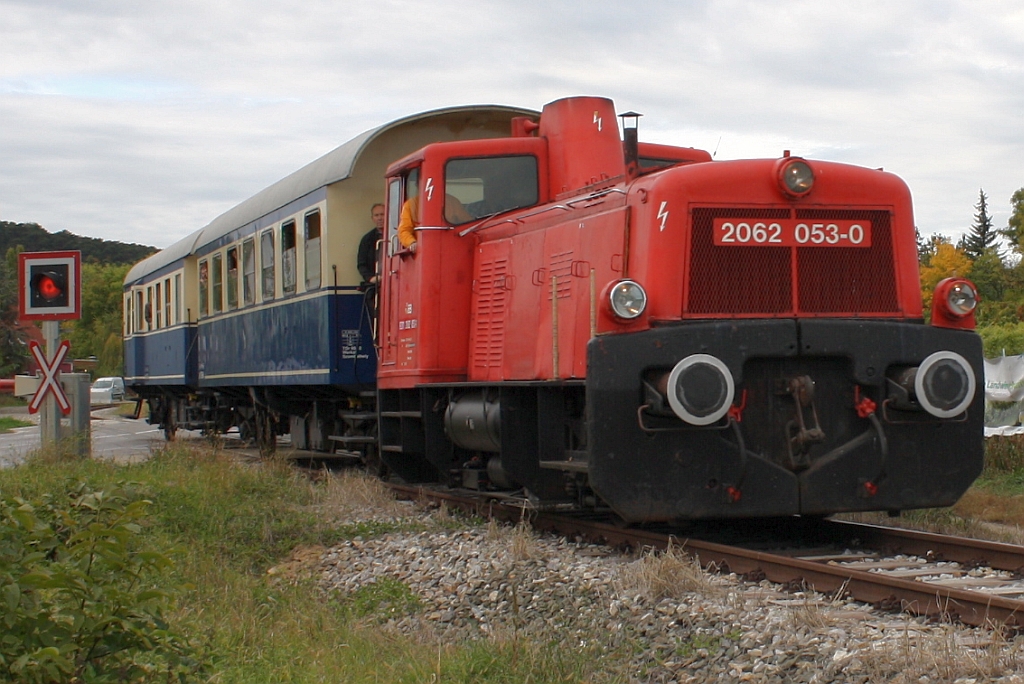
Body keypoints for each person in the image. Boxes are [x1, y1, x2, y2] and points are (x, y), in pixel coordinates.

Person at [357, 203, 385, 287]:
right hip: (375, 286)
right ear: (372, 218)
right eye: (376, 215)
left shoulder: (398, 235)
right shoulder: (367, 239)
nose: (380, 218)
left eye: (382, 214)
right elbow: (361, 264)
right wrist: (370, 278)